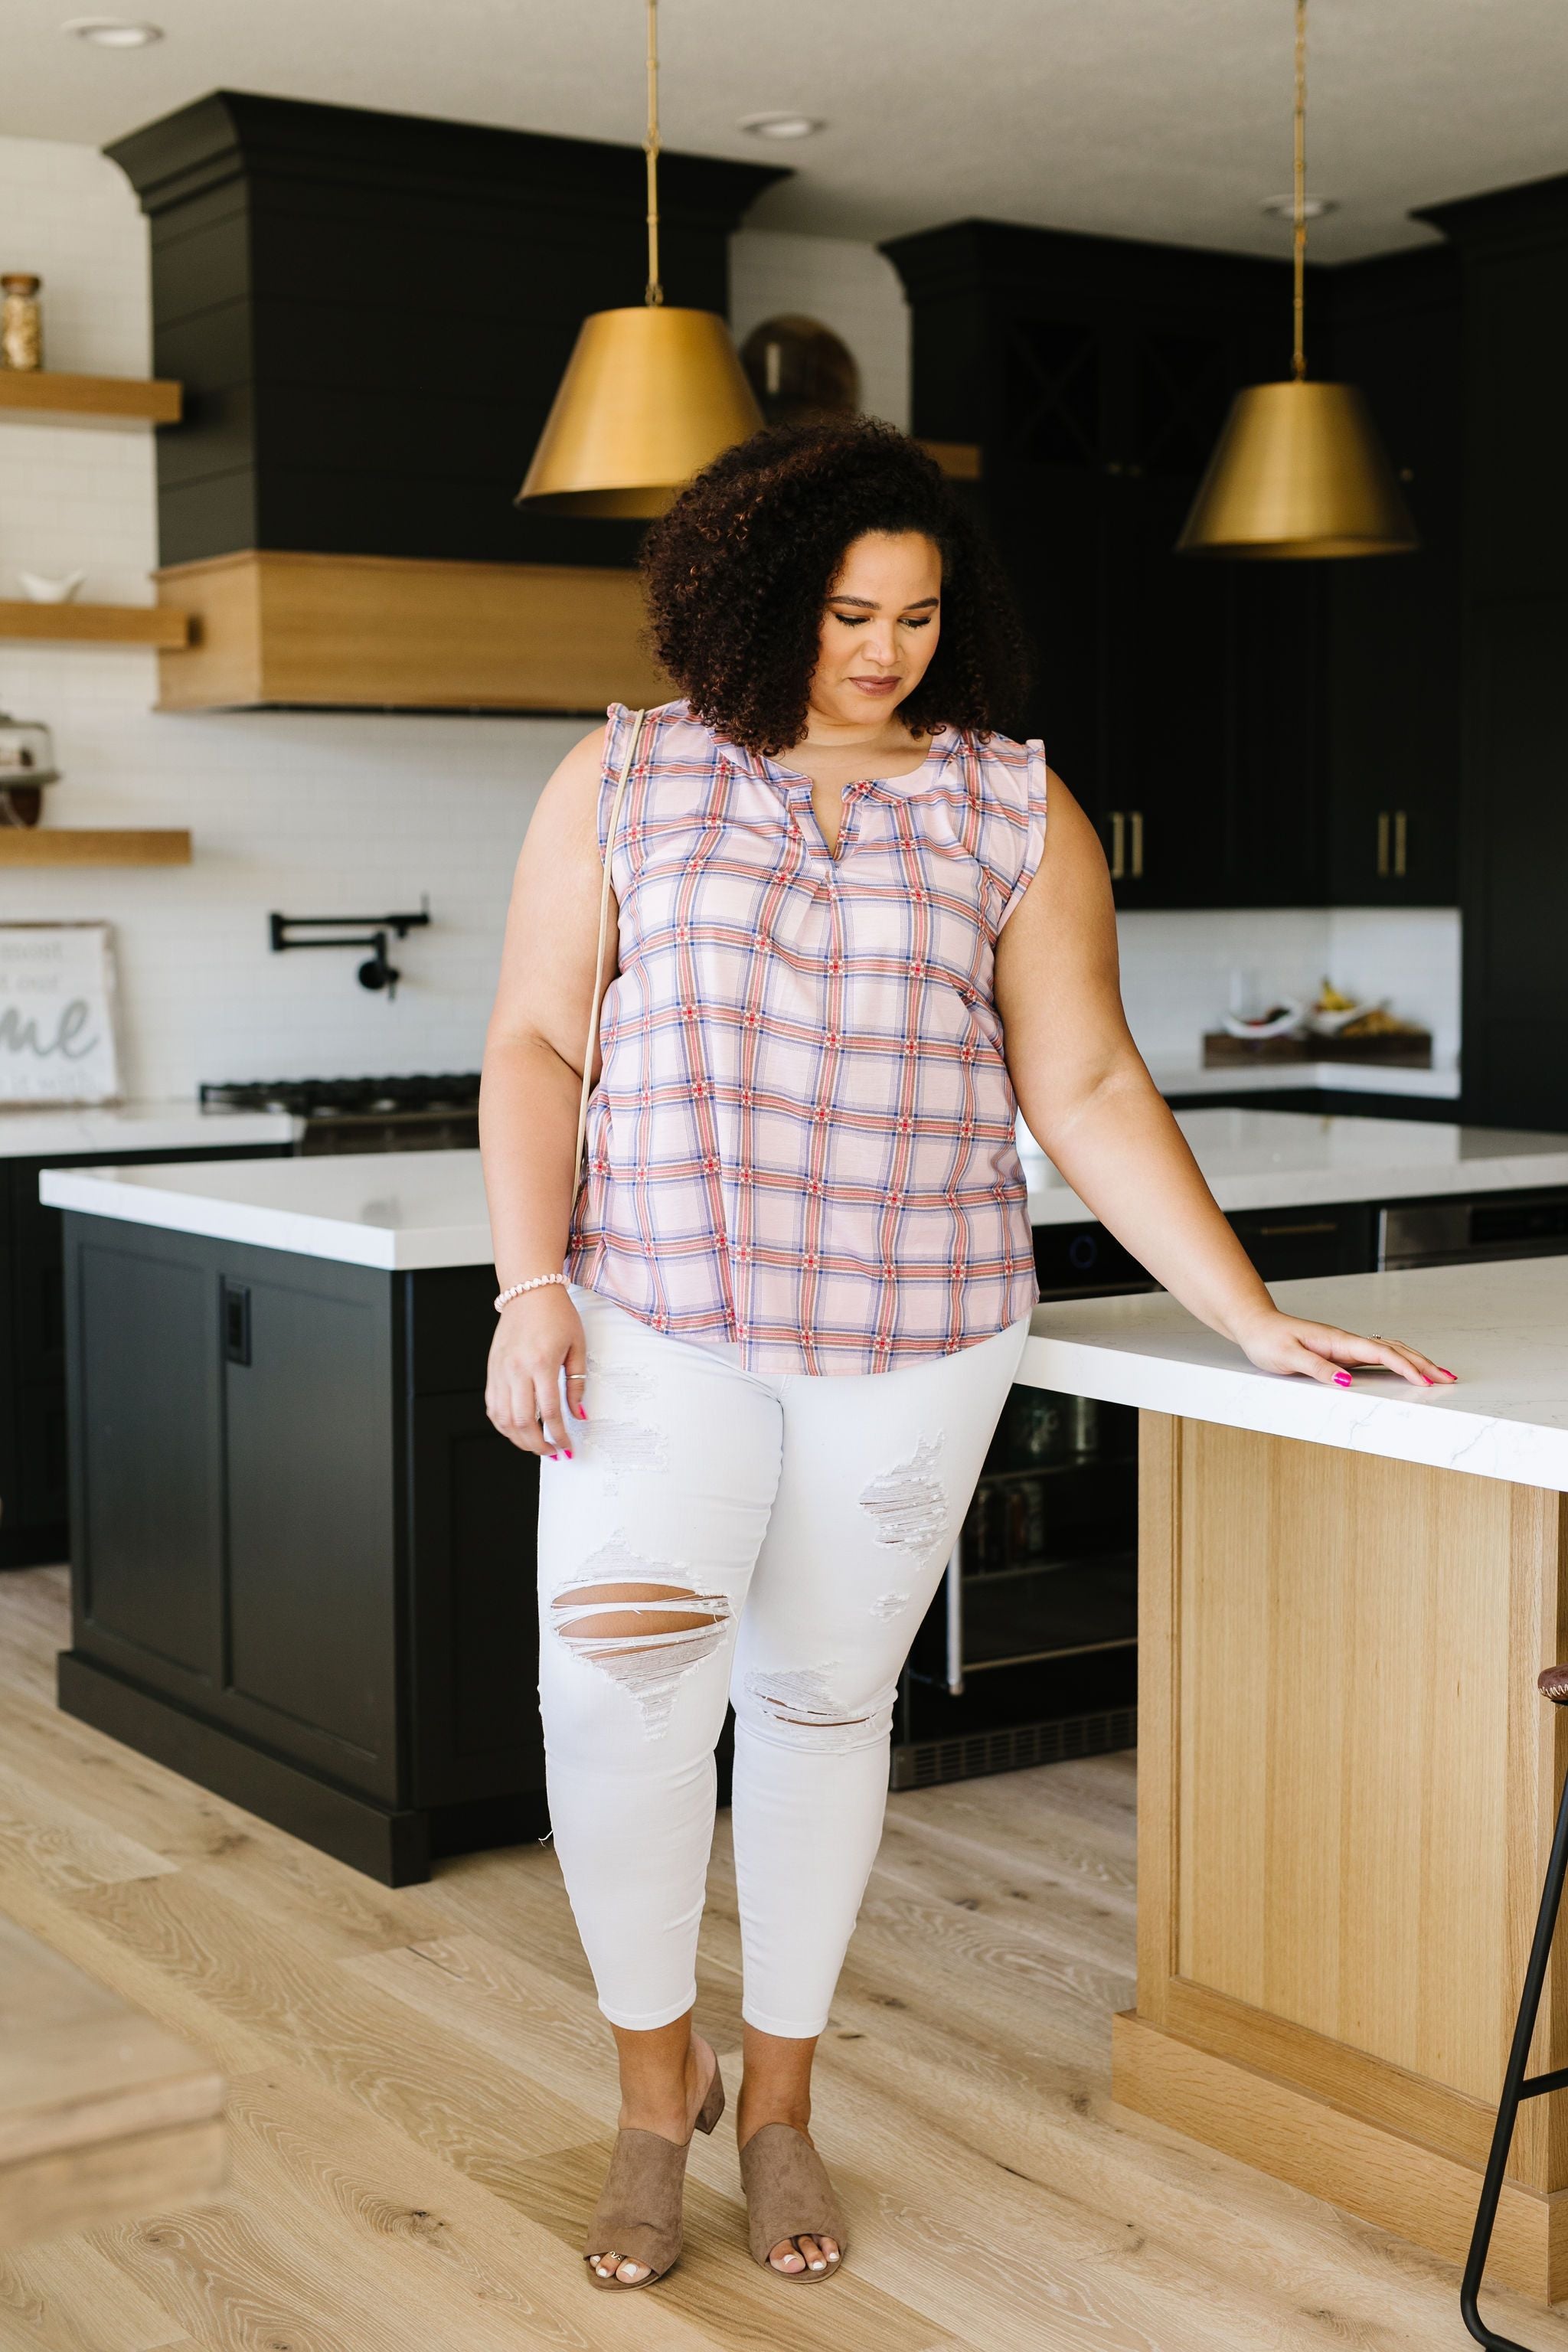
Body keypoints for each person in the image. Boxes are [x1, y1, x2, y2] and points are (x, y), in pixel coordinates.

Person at [479, 417, 1455, 2294]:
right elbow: (537, 1039)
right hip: (653, 1315)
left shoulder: (1010, 803)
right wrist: (530, 1285)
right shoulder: (625, 775)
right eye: (848, 613)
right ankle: (649, 2092)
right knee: (612, 1709)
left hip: (920, 1327)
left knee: (824, 1710)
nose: (884, 650)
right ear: (757, 594)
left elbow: (1081, 1081)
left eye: (918, 616)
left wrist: (1245, 1312)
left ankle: (778, 2102)